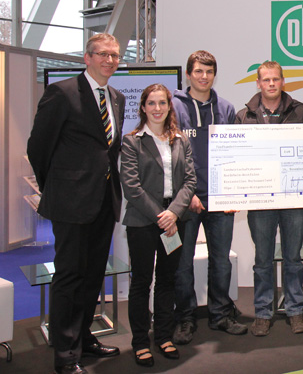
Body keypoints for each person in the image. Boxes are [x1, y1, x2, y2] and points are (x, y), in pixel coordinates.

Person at [28, 33, 125, 374]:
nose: (109, 60)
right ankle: (66, 354)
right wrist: (56, 188)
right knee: (69, 277)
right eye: (103, 54)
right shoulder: (62, 93)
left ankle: (84, 338)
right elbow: (38, 148)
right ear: (87, 57)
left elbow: (108, 150)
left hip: (104, 201)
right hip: (70, 203)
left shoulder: (115, 97)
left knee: (93, 274)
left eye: (115, 55)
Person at [172, 50, 246, 344]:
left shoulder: (226, 109)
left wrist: (233, 193)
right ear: (188, 74)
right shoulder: (174, 107)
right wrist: (187, 193)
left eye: (209, 71)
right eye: (198, 71)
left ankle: (220, 314)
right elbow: (170, 155)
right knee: (182, 264)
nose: (204, 77)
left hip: (220, 199)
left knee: (221, 261)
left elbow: (235, 154)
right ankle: (185, 318)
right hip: (185, 200)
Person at [120, 85, 196, 367]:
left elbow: (190, 181)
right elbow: (131, 187)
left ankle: (163, 336)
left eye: (162, 103)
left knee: (167, 280)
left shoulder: (180, 140)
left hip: (175, 221)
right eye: (151, 103)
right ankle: (141, 342)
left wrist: (174, 213)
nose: (157, 108)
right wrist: (161, 216)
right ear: (143, 107)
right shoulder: (132, 141)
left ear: (169, 106)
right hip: (143, 221)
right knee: (142, 282)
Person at [235, 61, 303, 336]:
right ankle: (263, 312)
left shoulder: (300, 111)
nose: (271, 84)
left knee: (293, 258)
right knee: (263, 259)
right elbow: (236, 158)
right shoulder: (244, 115)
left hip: (292, 199)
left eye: (275, 79)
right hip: (260, 200)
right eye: (266, 80)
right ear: (258, 83)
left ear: (282, 81)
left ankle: (295, 310)